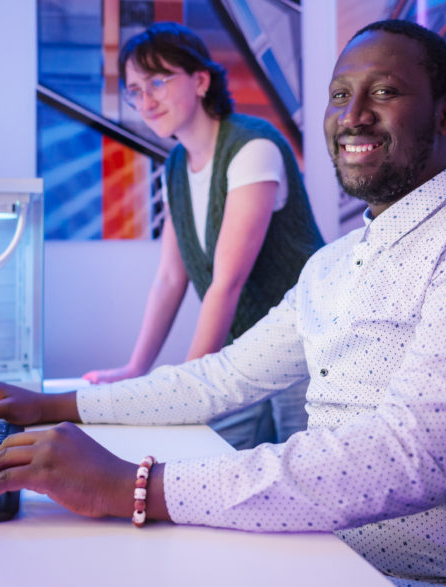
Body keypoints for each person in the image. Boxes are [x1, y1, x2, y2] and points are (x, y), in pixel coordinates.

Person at [0, 20, 446, 586]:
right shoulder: (333, 264)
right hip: (344, 559)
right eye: (339, 94)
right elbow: (219, 378)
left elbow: (411, 458)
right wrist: (52, 403)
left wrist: (133, 486)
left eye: (384, 92)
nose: (352, 116)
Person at [80, 22, 325, 449]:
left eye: (157, 80)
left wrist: (185, 390)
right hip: (243, 351)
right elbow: (170, 279)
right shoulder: (175, 165)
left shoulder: (253, 148)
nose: (146, 99)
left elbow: (225, 284)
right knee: (208, 459)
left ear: (200, 80)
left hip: (305, 347)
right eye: (135, 90)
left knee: (303, 477)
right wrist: (137, 368)